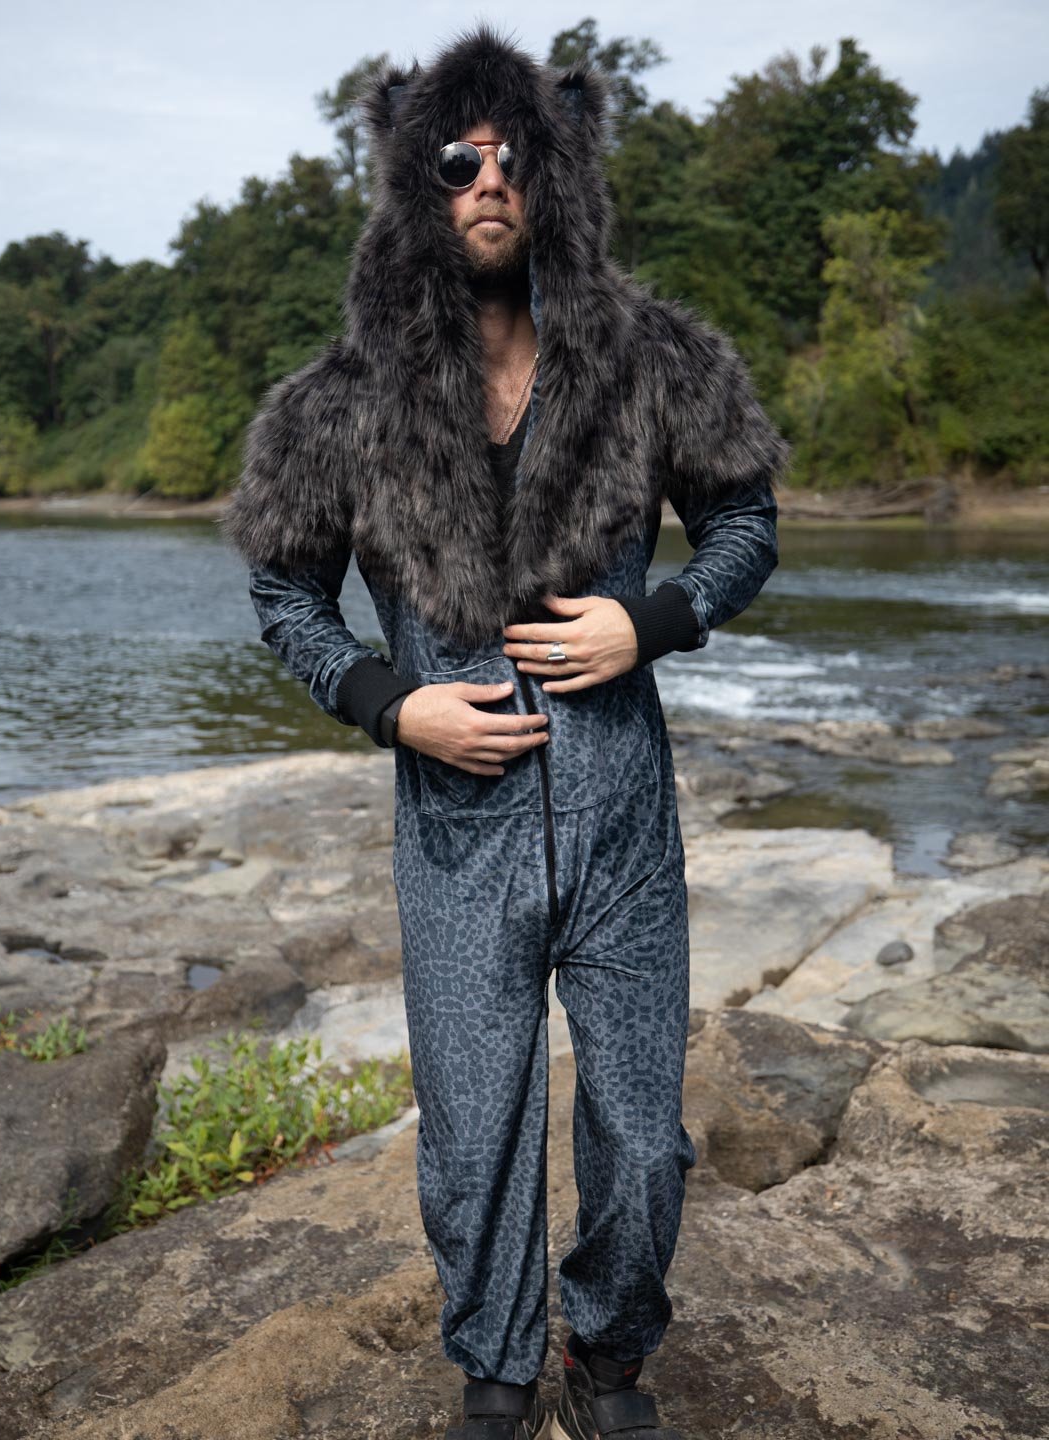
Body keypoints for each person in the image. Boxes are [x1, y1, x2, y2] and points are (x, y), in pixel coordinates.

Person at [219, 25, 789, 1440]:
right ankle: (493, 1365)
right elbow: (285, 595)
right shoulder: (338, 403)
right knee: (476, 1135)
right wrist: (386, 701)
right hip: (453, 835)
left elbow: (746, 524)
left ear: (553, 178)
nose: (488, 180)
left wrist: (652, 622)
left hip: (622, 819)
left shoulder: (654, 359)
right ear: (419, 181)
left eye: (513, 157)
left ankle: (608, 1361)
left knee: (643, 1139)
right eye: (457, 159)